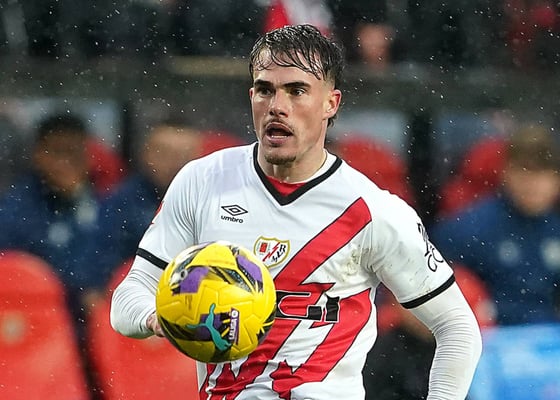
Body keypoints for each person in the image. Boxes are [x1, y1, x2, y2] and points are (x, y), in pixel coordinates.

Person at [111, 24, 481, 399]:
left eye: (296, 91)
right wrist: (159, 317)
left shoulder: (373, 210)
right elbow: (129, 296)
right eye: (265, 90)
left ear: (330, 104)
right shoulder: (203, 181)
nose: (277, 106)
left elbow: (457, 327)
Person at [430, 124, 560, 326]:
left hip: (550, 336)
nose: (533, 183)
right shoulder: (468, 229)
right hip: (485, 335)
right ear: (506, 173)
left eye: (543, 173)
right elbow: (421, 287)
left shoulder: (555, 228)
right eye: (523, 171)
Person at [99, 119, 205, 270]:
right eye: (165, 153)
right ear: (145, 154)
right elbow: (102, 265)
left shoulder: (212, 200)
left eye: (184, 155)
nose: (175, 163)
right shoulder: (120, 203)